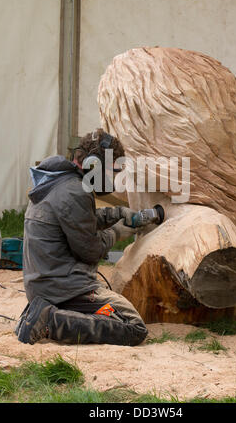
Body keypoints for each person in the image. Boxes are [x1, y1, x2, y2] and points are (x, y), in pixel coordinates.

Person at [15, 129, 148, 346]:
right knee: (133, 327)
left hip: (44, 285)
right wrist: (121, 230)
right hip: (65, 290)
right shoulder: (75, 192)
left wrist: (116, 214)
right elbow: (91, 250)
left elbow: (79, 220)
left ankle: (45, 313)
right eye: (110, 171)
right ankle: (50, 320)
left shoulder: (56, 181)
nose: (112, 178)